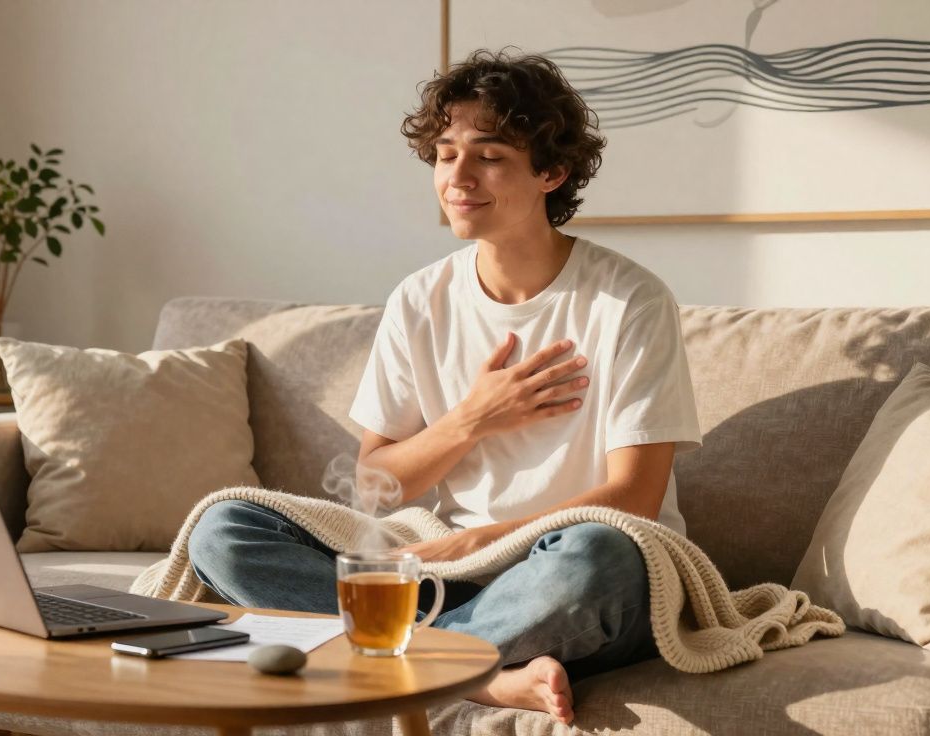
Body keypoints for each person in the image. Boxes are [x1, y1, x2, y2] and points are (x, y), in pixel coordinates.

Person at [187, 48, 703, 725]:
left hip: (563, 568)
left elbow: (632, 499)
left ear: (552, 171)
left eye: (488, 156)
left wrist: (473, 543)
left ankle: (413, 660)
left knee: (597, 561)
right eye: (444, 153)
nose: (457, 177)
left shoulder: (628, 301)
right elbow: (377, 481)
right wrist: (470, 421)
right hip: (446, 575)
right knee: (223, 531)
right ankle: (482, 674)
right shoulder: (420, 298)